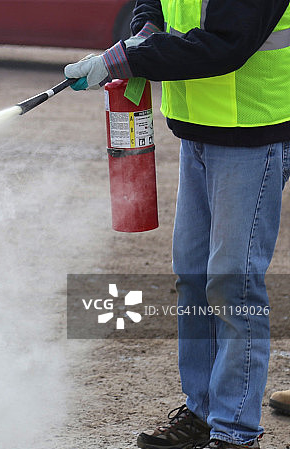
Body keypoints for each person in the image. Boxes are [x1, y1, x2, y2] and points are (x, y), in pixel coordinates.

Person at [64, 0, 290, 448]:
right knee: (193, 276)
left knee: (232, 283)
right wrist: (145, 25)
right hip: (199, 131)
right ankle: (203, 414)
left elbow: (228, 44)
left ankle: (235, 432)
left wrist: (128, 57)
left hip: (253, 133)